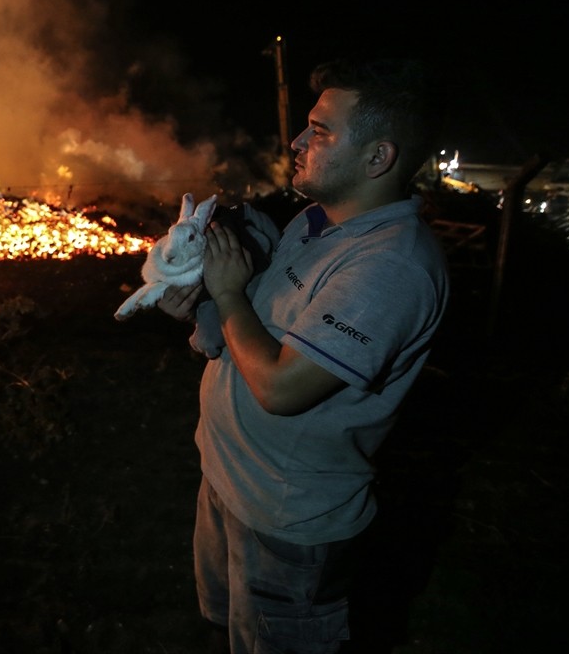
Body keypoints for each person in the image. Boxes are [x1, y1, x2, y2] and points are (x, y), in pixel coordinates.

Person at [157, 57, 450, 653]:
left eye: (319, 131)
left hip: (287, 521)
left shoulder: (389, 267)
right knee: (227, 631)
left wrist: (229, 290)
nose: (295, 141)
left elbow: (282, 388)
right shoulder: (317, 221)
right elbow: (257, 329)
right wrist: (203, 305)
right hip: (229, 481)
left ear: (378, 157)